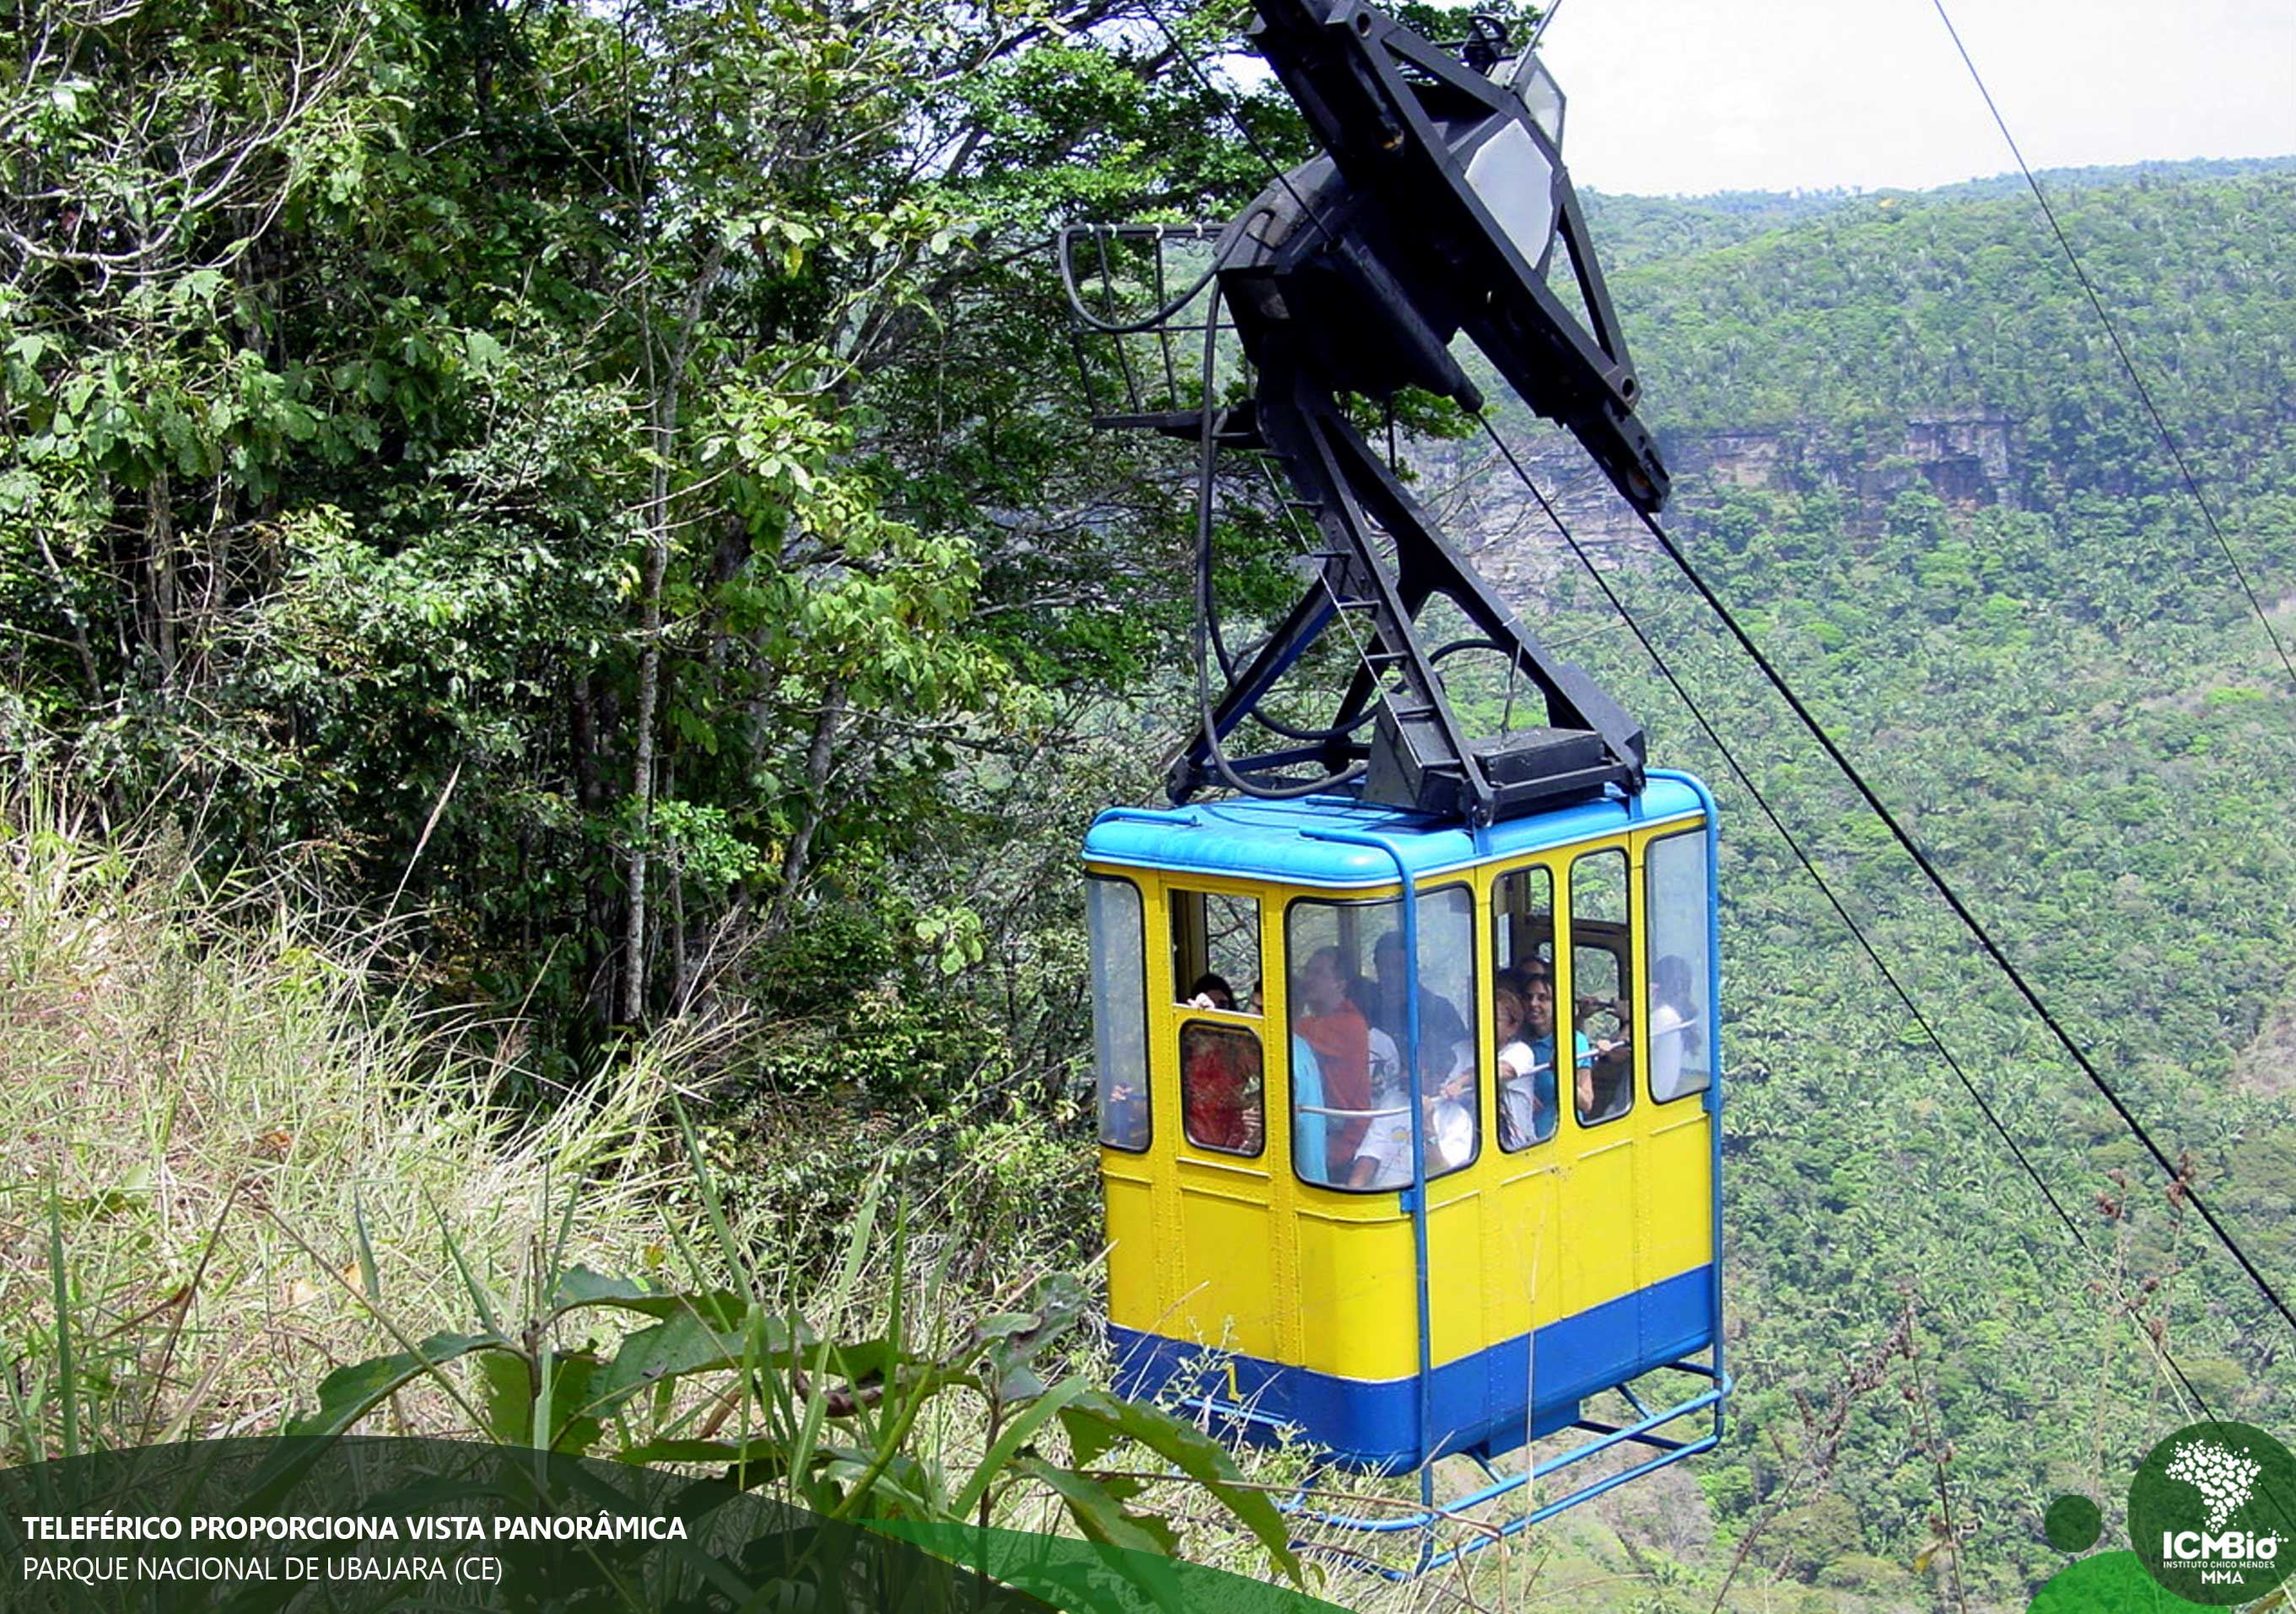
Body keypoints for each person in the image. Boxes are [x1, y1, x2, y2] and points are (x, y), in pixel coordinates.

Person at [1292, 944, 1372, 1183]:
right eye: (1307, 972)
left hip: (1342, 1143)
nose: (1308, 980)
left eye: (1319, 974)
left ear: (1341, 984)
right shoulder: (1312, 1022)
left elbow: (1284, 1034)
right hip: (1316, 1129)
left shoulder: (1349, 1024)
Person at [1362, 930, 1470, 1079]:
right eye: (1384, 966)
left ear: (1414, 968)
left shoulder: (1439, 1011)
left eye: (1398, 967)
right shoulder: (1364, 1007)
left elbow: (1460, 1062)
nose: (1390, 974)